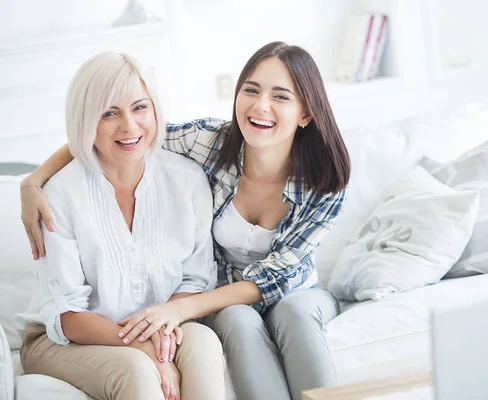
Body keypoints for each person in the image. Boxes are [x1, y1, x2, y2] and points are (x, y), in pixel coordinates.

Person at [20, 41, 351, 400]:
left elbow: (274, 279)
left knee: (294, 316)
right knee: (236, 321)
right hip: (220, 302)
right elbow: (123, 135)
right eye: (251, 90)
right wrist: (33, 181)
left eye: (281, 97)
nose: (261, 106)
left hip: (289, 291)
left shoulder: (325, 182)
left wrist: (177, 310)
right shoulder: (208, 143)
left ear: (306, 114)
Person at [15, 51, 226, 400]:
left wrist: (160, 329)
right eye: (109, 113)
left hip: (160, 326)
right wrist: (146, 349)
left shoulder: (187, 180)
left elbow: (195, 280)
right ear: (85, 121)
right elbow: (67, 314)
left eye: (140, 107)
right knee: (136, 368)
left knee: (202, 340)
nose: (129, 126)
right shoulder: (59, 194)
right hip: (64, 340)